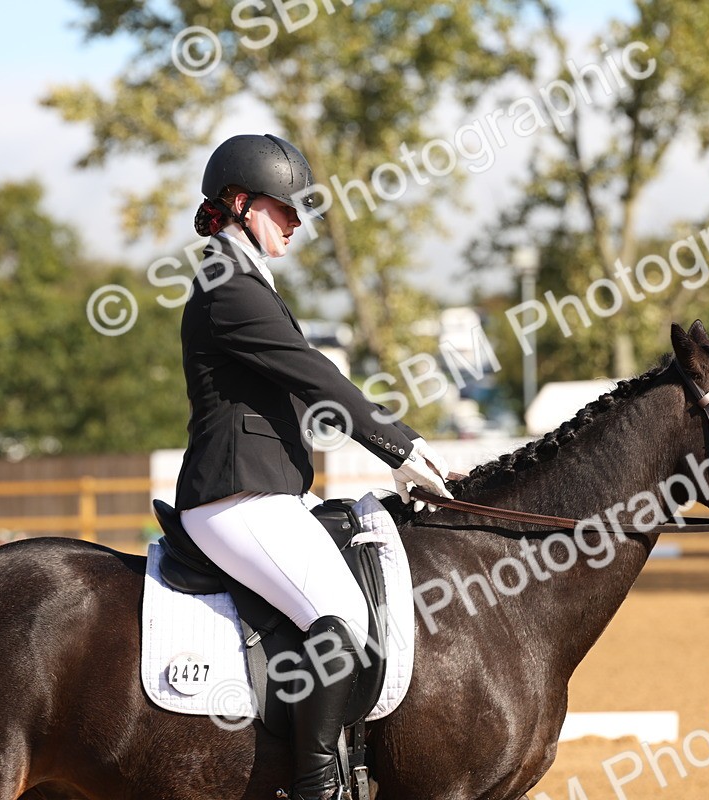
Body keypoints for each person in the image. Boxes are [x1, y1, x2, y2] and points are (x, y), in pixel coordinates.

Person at [174, 133, 452, 800]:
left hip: (265, 494)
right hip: (235, 497)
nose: (297, 222)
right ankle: (316, 785)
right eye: (284, 207)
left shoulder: (247, 281)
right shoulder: (228, 287)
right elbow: (315, 376)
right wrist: (401, 448)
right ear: (240, 203)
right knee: (341, 616)